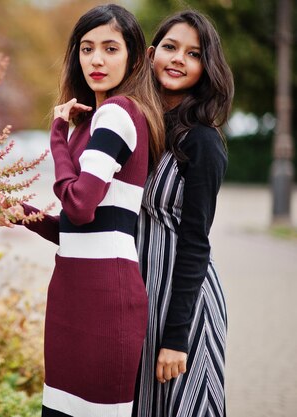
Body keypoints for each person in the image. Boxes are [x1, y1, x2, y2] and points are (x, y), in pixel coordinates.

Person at [0, 4, 164, 416]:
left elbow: (80, 205)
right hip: (73, 291)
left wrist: (56, 134)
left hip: (105, 296)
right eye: (87, 49)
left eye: (110, 48)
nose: (97, 60)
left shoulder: (118, 114)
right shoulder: (93, 122)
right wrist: (24, 213)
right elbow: (77, 225)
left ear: (135, 57)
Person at [132, 10, 234, 417]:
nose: (178, 59)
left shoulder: (204, 143)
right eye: (171, 47)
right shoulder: (136, 126)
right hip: (140, 292)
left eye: (193, 54)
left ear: (205, 68)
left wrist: (177, 338)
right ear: (152, 54)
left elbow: (196, 243)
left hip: (181, 303)